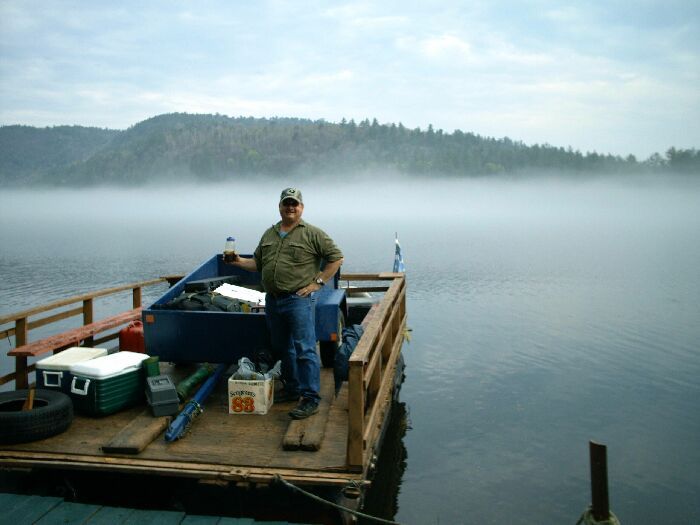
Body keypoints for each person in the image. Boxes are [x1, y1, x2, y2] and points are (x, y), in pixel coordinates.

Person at [228, 187, 344, 419]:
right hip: (273, 301)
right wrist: (238, 261)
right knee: (283, 348)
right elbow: (258, 264)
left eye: (295, 204)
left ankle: (310, 398)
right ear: (279, 206)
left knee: (305, 349)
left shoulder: (312, 233)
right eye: (286, 203)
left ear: (301, 207)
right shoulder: (269, 234)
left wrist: (317, 283)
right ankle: (292, 389)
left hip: (298, 300)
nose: (290, 207)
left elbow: (336, 258)